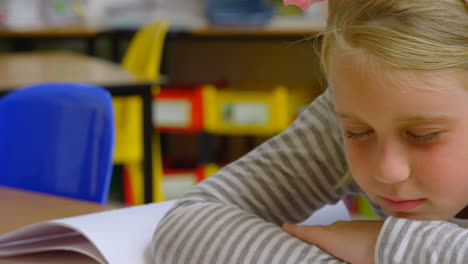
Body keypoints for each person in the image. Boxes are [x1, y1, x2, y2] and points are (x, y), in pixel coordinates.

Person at [152, 0, 468, 263]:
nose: (388, 171)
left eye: (424, 134)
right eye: (358, 133)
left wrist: (389, 245)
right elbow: (190, 222)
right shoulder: (355, 107)